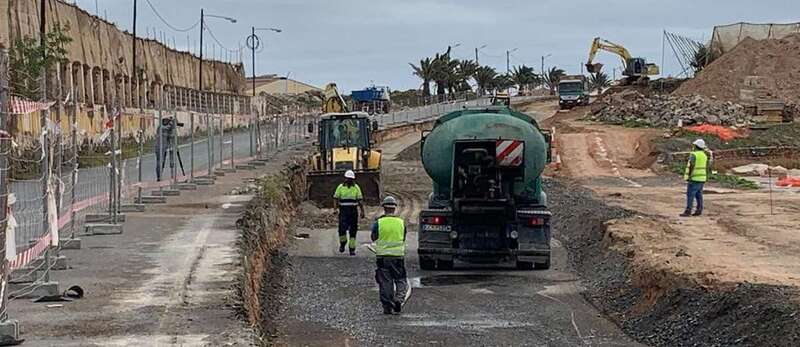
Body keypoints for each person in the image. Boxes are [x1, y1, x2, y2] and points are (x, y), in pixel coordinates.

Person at [371, 196, 409, 315]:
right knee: (401, 280)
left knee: (385, 282)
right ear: (394, 208)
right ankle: (398, 299)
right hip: (398, 257)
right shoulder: (401, 223)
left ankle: (387, 306)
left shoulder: (379, 223)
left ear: (384, 208)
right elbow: (403, 237)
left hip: (383, 257)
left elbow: (373, 237)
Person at [333, 170, 365, 255]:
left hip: (353, 211)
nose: (350, 180)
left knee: (353, 230)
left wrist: (362, 211)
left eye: (351, 179)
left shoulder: (356, 188)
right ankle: (343, 243)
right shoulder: (340, 187)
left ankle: (352, 248)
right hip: (343, 211)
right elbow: (335, 198)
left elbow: (360, 200)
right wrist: (335, 209)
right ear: (345, 178)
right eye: (348, 178)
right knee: (342, 230)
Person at [681, 139, 711, 217]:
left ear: (696, 146)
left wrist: (688, 176)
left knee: (690, 194)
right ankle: (699, 209)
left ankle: (688, 210)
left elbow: (691, 166)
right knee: (699, 195)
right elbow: (707, 167)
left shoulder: (694, 155)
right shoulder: (705, 155)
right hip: (702, 178)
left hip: (694, 178)